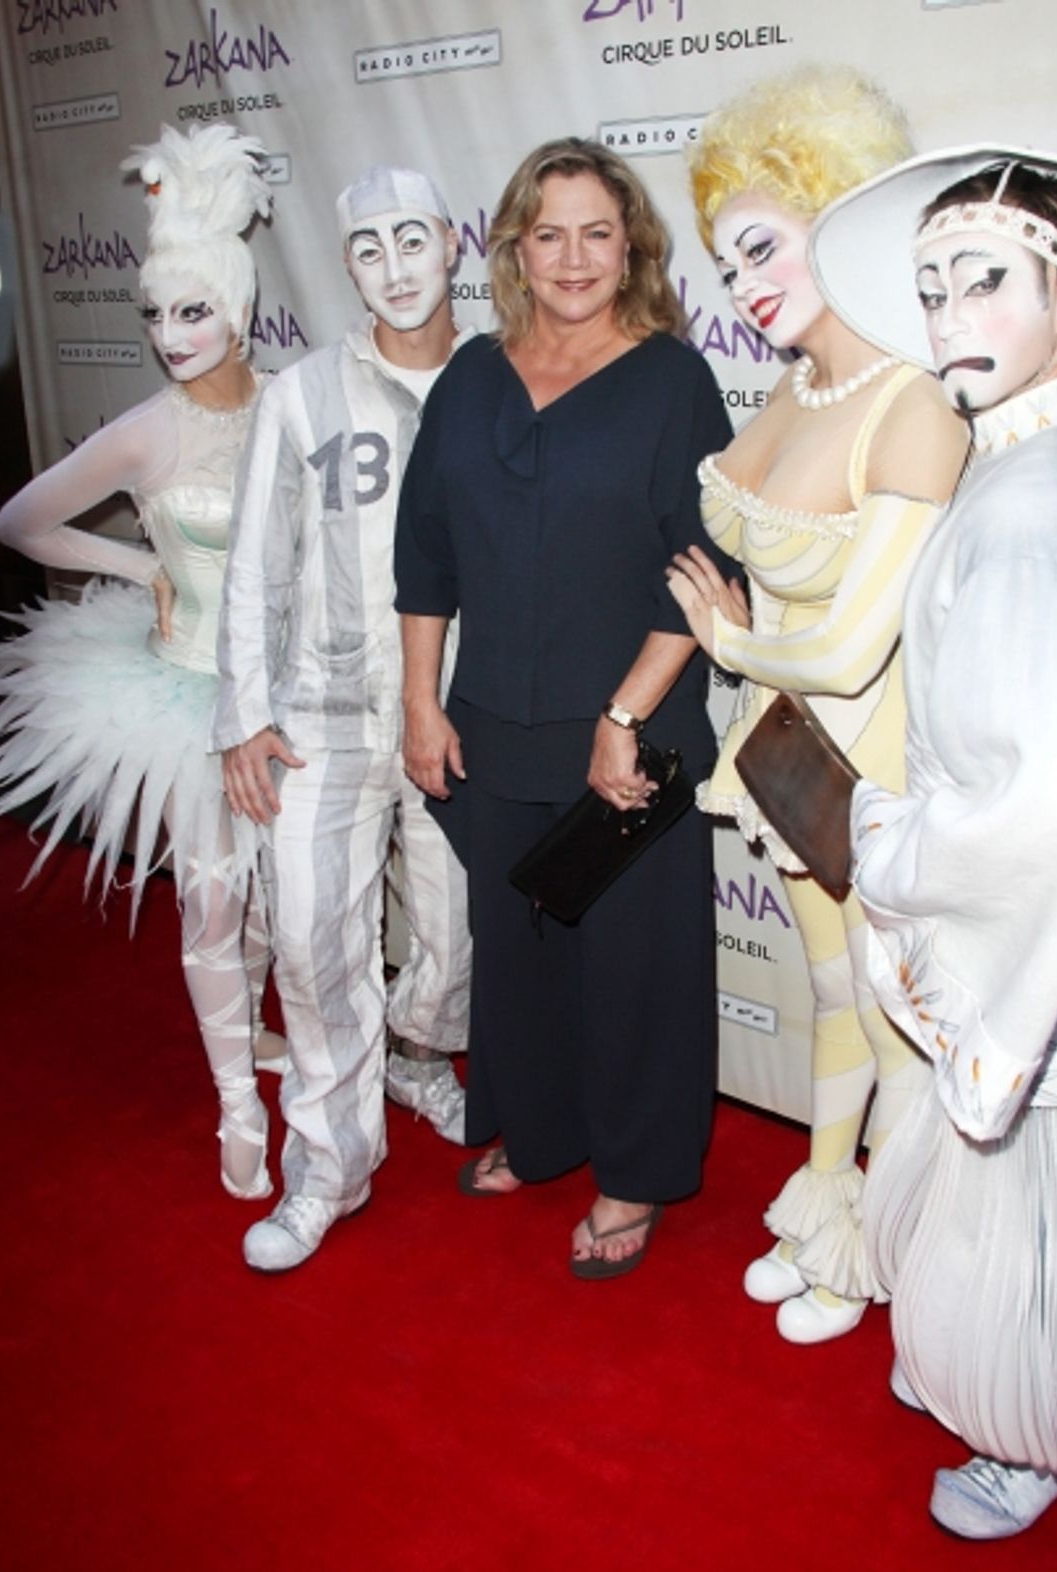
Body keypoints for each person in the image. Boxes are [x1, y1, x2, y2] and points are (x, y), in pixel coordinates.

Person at [809, 146, 1057, 1535]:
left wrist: (890, 848)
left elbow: (1046, 801)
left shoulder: (1035, 503)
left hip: (1055, 921)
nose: (950, 317)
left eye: (987, 282)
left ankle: (1035, 1428)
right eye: (933, 287)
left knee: (1039, 1207)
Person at [395, 136, 732, 1278]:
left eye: (598, 231)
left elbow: (706, 570)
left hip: (634, 733)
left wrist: (624, 715)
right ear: (515, 249)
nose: (575, 257)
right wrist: (419, 702)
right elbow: (424, 554)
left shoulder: (672, 379)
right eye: (550, 234)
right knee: (521, 946)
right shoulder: (474, 376)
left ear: (629, 242)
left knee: (637, 965)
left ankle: (635, 1173)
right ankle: (540, 1135)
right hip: (495, 725)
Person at [668, 67, 969, 1342]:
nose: (743, 287)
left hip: (871, 754)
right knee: (833, 998)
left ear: (840, 213)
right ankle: (821, 1207)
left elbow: (849, 650)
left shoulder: (912, 400)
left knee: (894, 1019)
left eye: (760, 248)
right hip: (788, 754)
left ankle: (870, 1253)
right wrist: (742, 653)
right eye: (727, 265)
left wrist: (732, 638)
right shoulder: (796, 386)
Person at [0, 123, 283, 1200]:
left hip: (286, 691)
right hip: (180, 695)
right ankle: (238, 1104)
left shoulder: (290, 404)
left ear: (237, 310)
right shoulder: (147, 431)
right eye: (154, 313)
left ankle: (266, 1038)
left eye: (192, 310)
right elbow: (21, 523)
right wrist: (133, 558)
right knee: (211, 902)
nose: (169, 333)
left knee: (283, 896)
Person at [214, 165, 474, 1273]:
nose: (395, 269)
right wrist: (241, 715)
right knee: (317, 954)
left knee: (464, 941)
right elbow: (254, 566)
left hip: (467, 718)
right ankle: (330, 1164)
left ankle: (416, 1050)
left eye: (412, 242)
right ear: (345, 266)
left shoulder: (507, 381)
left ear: (453, 245)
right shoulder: (301, 394)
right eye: (368, 250)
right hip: (324, 719)